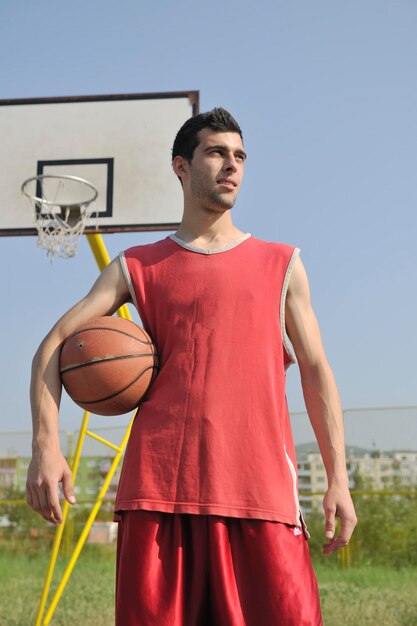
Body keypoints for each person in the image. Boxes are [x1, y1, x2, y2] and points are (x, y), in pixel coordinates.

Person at [27, 107, 357, 625]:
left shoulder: (282, 263)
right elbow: (53, 346)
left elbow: (316, 373)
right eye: (217, 153)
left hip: (261, 495)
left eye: (240, 156)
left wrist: (338, 477)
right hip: (159, 497)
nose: (232, 165)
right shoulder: (136, 266)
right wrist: (46, 449)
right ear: (181, 166)